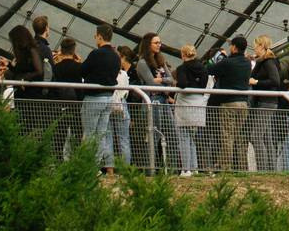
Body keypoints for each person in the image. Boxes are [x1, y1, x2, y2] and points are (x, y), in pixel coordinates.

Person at [82, 24, 126, 171]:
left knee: (89, 133)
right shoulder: (115, 56)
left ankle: (86, 165)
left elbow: (83, 70)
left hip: (94, 98)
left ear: (100, 36)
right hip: (108, 97)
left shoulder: (96, 53)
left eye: (95, 36)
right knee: (101, 134)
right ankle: (95, 166)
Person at [132, 32, 179, 172]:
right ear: (148, 44)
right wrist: (163, 84)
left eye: (160, 42)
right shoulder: (142, 63)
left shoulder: (161, 61)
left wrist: (161, 81)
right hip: (151, 101)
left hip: (163, 100)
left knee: (172, 134)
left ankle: (172, 169)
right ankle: (150, 170)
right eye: (156, 42)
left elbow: (171, 80)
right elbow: (150, 83)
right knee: (152, 136)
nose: (159, 45)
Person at [208, 36, 254, 172]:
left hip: (228, 103)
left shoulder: (227, 62)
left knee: (227, 136)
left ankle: (226, 167)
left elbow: (210, 69)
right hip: (243, 103)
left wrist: (219, 57)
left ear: (234, 47)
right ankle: (241, 167)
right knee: (238, 136)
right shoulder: (247, 63)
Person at [250, 36, 289, 173]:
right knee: (266, 137)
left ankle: (263, 170)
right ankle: (270, 170)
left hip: (267, 102)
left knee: (256, 136)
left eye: (256, 45)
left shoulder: (268, 62)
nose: (254, 48)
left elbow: (275, 81)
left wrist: (256, 82)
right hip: (266, 101)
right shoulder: (263, 61)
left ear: (262, 46)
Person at [173, 42, 209, 176]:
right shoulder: (203, 67)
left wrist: (178, 83)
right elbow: (204, 84)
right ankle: (194, 168)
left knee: (183, 138)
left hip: (185, 105)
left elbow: (182, 84)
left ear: (183, 55)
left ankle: (185, 169)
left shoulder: (182, 68)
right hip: (198, 104)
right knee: (192, 138)